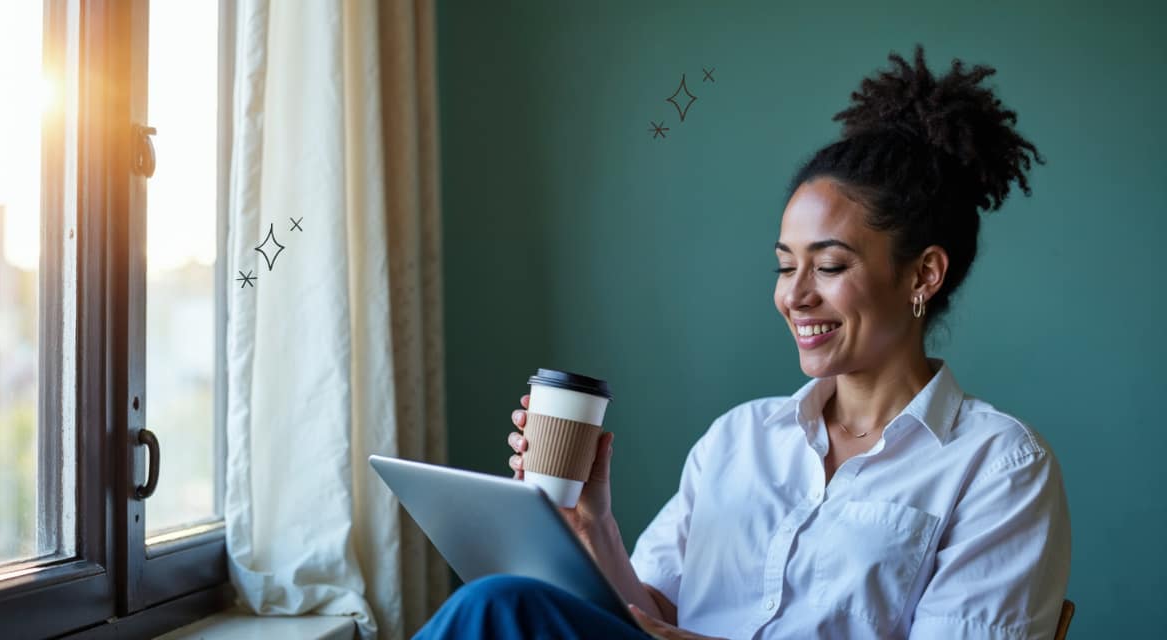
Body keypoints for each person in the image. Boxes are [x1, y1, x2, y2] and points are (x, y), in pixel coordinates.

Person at [416, 45, 1070, 640]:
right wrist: (594, 525)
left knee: (498, 608)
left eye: (831, 266)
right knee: (501, 602)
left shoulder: (998, 468)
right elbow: (651, 617)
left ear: (923, 274)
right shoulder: (740, 440)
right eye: (786, 266)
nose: (795, 294)